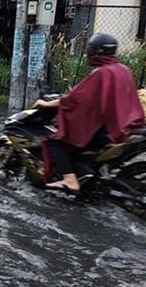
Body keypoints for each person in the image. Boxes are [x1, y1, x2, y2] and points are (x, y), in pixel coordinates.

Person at [37, 33, 145, 193]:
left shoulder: (101, 73)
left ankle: (70, 180)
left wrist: (46, 104)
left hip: (109, 130)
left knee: (55, 142)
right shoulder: (123, 70)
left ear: (94, 52)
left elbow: (75, 100)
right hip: (127, 125)